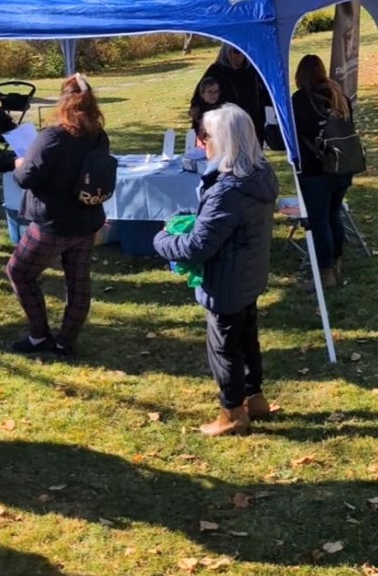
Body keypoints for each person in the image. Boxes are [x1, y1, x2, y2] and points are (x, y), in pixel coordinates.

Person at [152, 104, 278, 437]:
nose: (200, 141)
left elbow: (197, 247)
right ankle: (255, 398)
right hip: (250, 273)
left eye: (204, 135)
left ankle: (233, 413)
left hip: (226, 281)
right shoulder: (260, 172)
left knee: (224, 347)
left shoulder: (228, 190)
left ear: (221, 140)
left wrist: (162, 240)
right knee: (247, 337)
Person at [5, 75, 109, 357]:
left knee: (19, 272)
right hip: (86, 219)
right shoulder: (98, 135)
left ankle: (39, 336)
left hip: (53, 223)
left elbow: (26, 178)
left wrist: (19, 163)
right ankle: (66, 342)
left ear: (63, 101)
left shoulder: (52, 136)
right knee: (78, 283)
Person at [292, 54, 357, 290]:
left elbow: (293, 134)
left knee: (320, 223)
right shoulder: (340, 96)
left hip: (315, 169)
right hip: (341, 166)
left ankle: (325, 273)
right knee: (334, 215)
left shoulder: (300, 100)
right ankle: (336, 263)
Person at [203, 44, 267, 141]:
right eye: (235, 51)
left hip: (252, 124)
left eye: (241, 51)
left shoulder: (253, 71)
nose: (238, 56)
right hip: (225, 124)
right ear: (226, 53)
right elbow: (202, 95)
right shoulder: (216, 71)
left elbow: (265, 95)